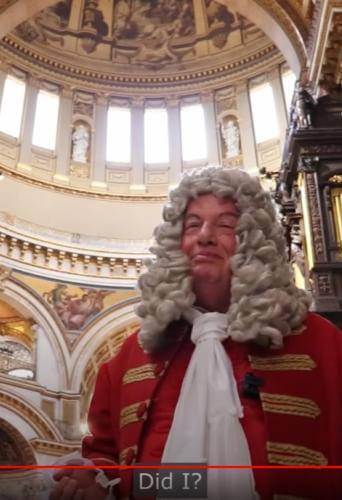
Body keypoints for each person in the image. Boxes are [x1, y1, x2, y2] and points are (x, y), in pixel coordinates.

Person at [51, 166, 342, 500]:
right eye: (192, 224)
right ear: (176, 241)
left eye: (226, 225)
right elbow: (105, 454)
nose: (205, 235)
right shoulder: (132, 355)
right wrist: (95, 483)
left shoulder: (321, 343)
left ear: (255, 239)